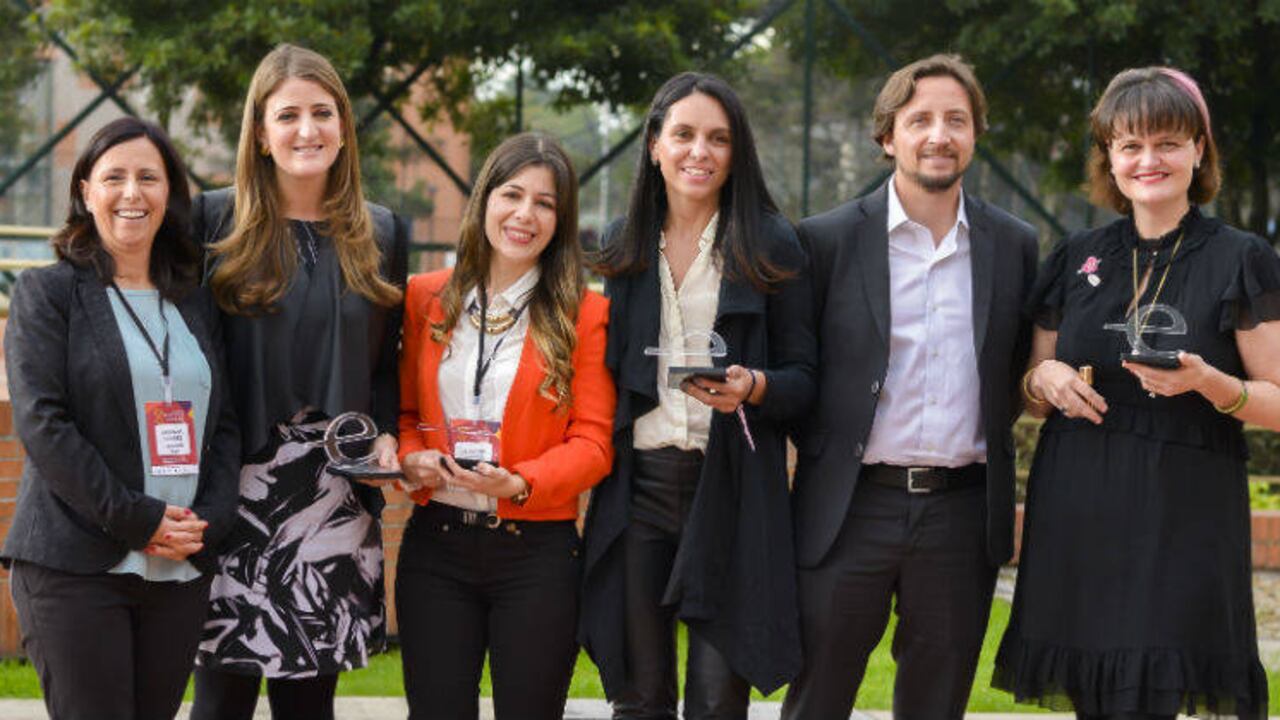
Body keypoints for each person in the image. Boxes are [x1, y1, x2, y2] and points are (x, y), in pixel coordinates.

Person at [993, 66, 1279, 720]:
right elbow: (1034, 388)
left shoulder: (1241, 258)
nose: (1149, 160)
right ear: (1110, 160)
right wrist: (1047, 378)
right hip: (1079, 499)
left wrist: (1209, 383)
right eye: (1130, 145)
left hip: (1185, 502)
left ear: (1199, 150)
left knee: (1150, 688)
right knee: (1096, 691)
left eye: (1168, 142)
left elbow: (1277, 399)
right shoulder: (1077, 254)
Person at [782, 54, 1039, 720]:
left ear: (975, 135)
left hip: (960, 514)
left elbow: (1016, 372)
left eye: (956, 119)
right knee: (817, 699)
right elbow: (801, 377)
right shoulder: (825, 241)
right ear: (887, 136)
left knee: (936, 704)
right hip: (848, 508)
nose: (939, 134)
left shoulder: (1014, 245)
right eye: (919, 119)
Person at [580, 72, 816, 719]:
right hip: (640, 493)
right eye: (683, 134)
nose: (699, 152)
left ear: (736, 152)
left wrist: (754, 386)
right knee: (640, 696)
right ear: (654, 143)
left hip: (731, 490)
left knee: (716, 701)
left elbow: (805, 379)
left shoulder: (770, 243)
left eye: (718, 138)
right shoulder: (620, 245)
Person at [188, 43, 409, 720]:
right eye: (288, 115)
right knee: (220, 701)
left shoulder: (382, 232)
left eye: (322, 112)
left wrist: (392, 433)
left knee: (308, 705)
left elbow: (385, 365)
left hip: (335, 499)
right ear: (259, 131)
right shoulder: (212, 221)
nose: (306, 130)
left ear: (344, 127)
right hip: (234, 495)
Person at [1, 116, 240, 720]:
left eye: (149, 178)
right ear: (86, 191)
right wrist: (139, 520)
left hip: (177, 570)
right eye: (114, 177)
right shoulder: (47, 294)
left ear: (170, 195)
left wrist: (205, 523)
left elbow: (224, 425)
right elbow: (43, 423)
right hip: (76, 566)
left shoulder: (195, 301)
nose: (132, 193)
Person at [396, 132, 615, 720]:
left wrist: (518, 482)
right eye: (512, 194)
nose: (525, 214)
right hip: (435, 547)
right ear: (484, 200)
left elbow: (593, 443)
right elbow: (407, 416)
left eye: (545, 203)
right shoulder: (424, 298)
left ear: (561, 219)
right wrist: (412, 455)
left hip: (536, 555)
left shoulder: (586, 313)